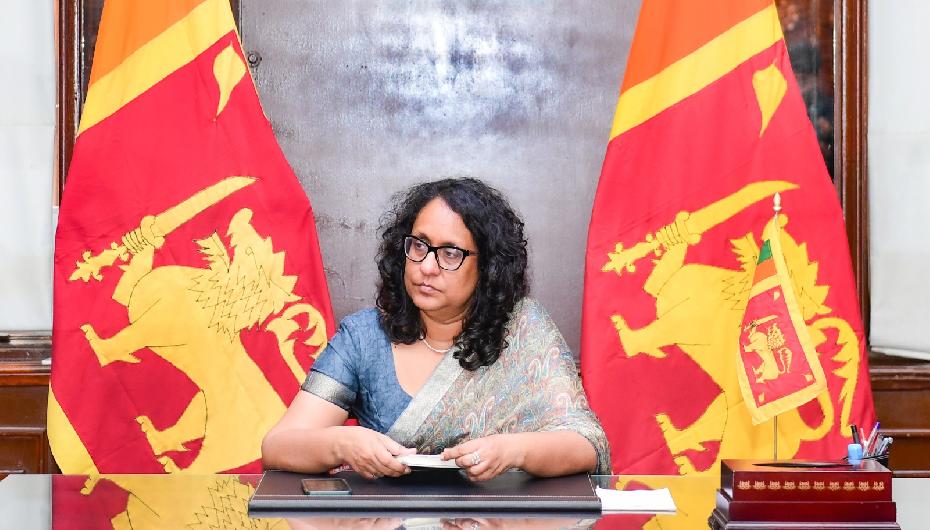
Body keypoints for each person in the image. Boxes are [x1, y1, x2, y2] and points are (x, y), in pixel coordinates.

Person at [261, 178, 610, 481]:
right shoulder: (363, 337)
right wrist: (341, 443)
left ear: (488, 267)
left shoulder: (522, 329)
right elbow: (278, 446)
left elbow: (586, 444)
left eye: (450, 253)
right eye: (419, 245)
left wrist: (514, 451)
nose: (427, 266)